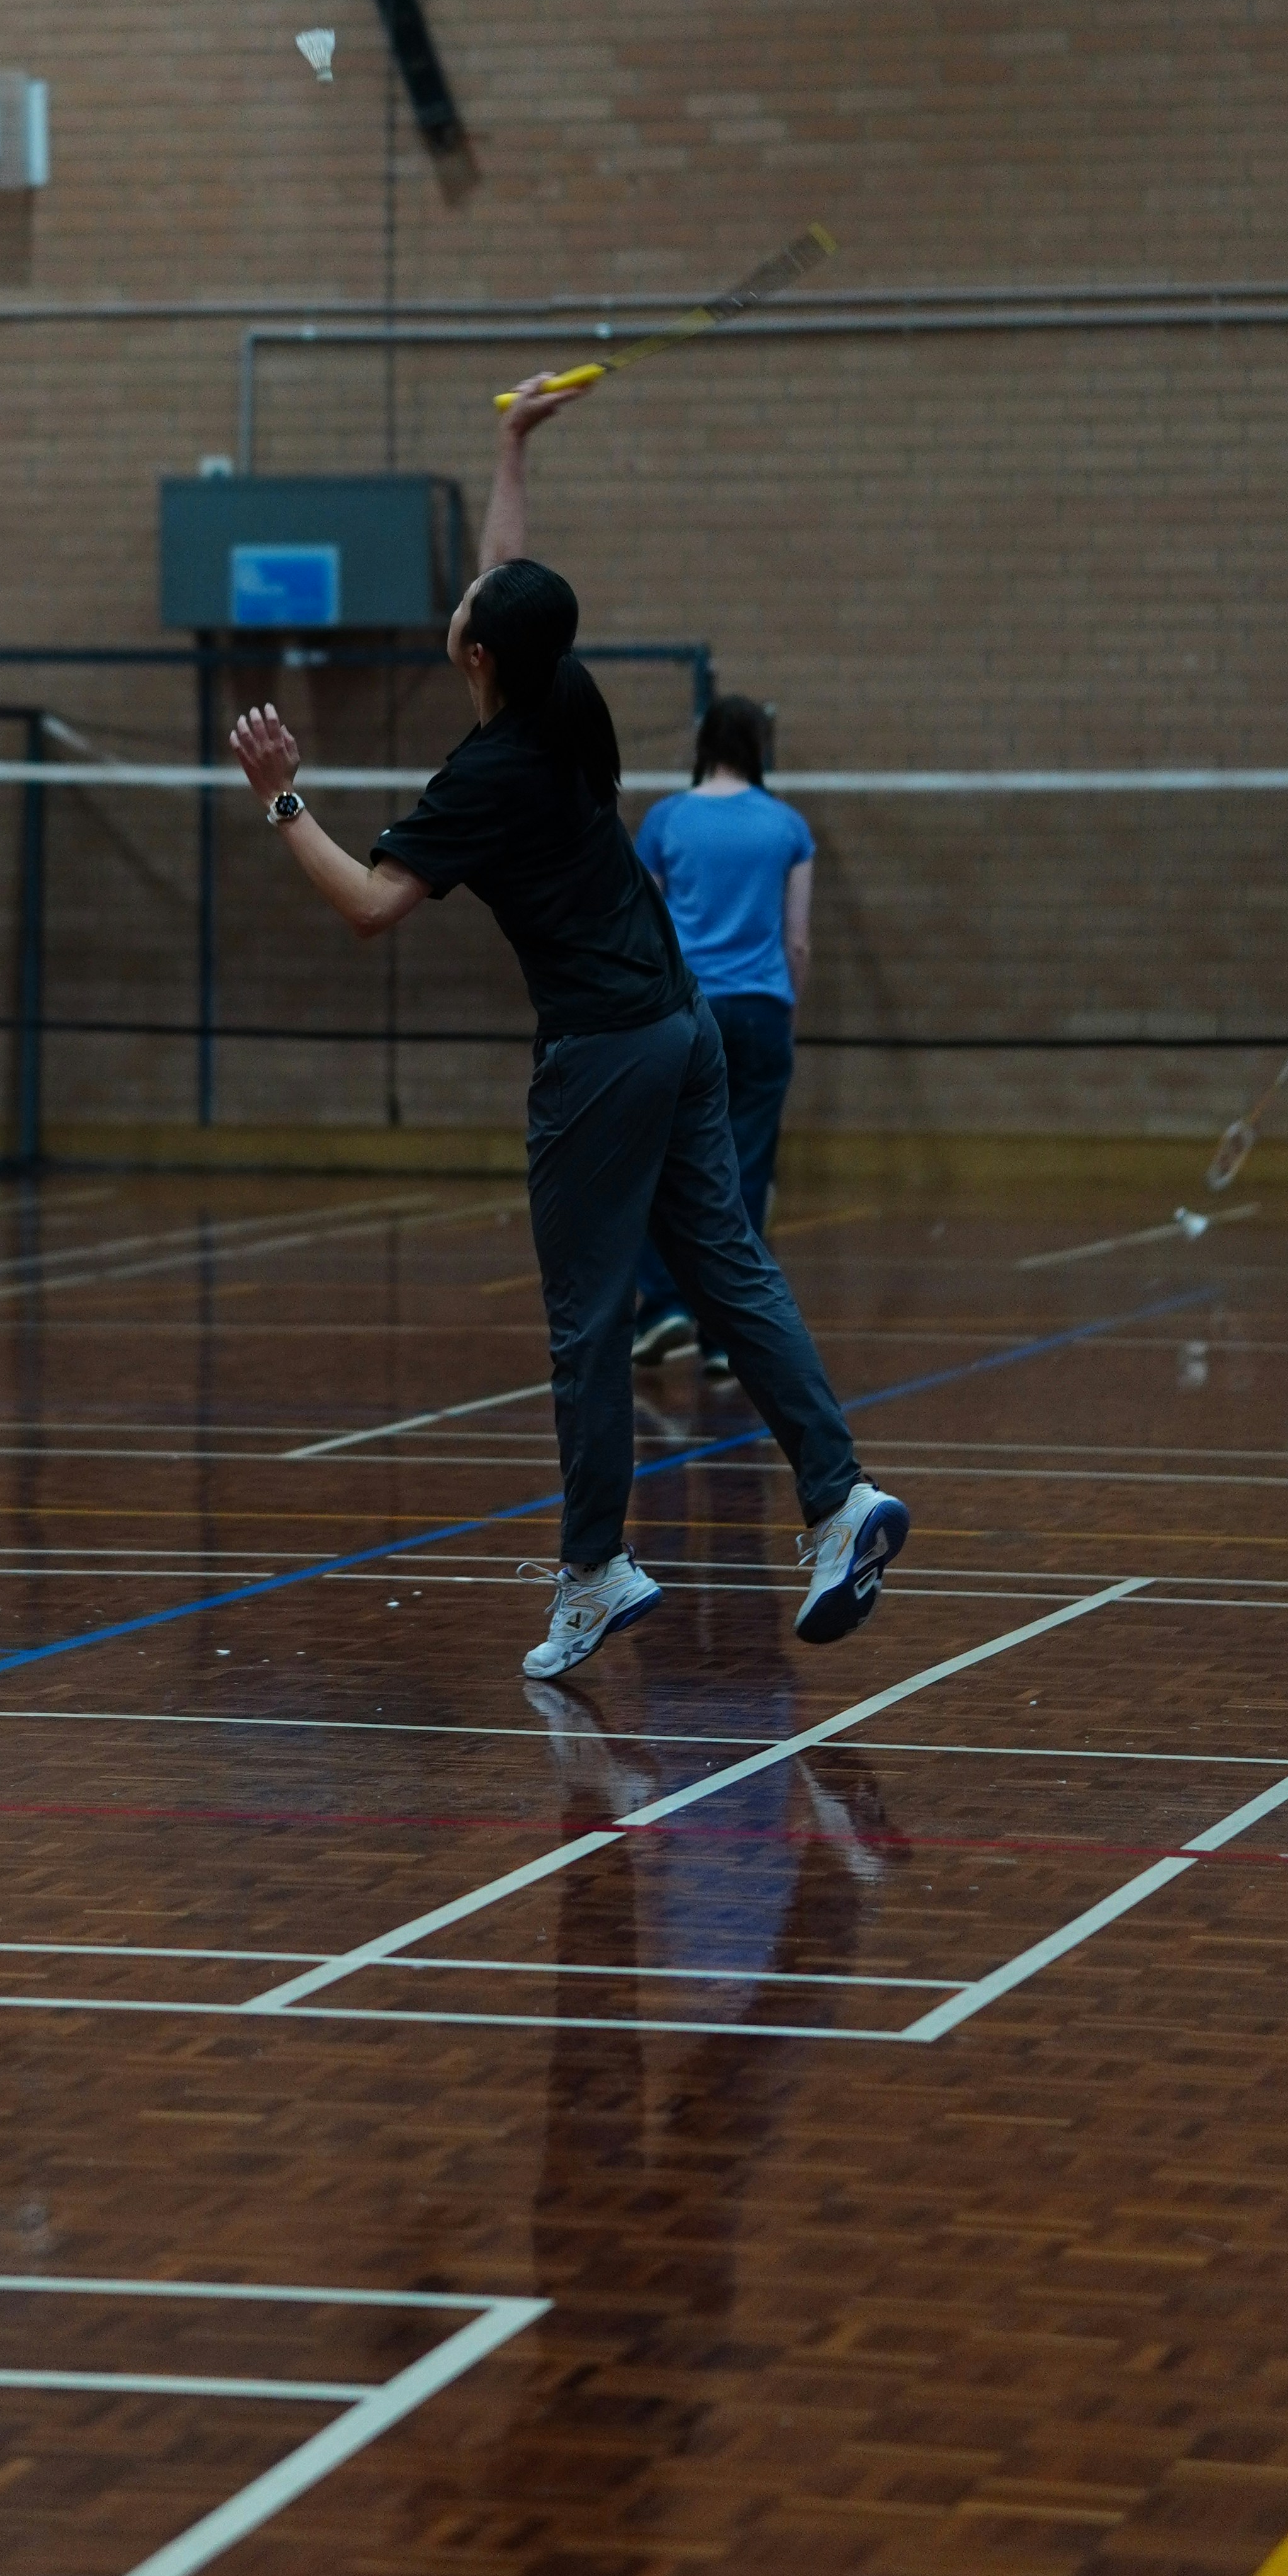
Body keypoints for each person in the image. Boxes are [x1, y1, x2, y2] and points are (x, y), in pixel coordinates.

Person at [228, 377, 908, 1683]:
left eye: (466, 617)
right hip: (681, 1023)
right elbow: (507, 575)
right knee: (730, 1273)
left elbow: (372, 907)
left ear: (476, 655)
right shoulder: (565, 695)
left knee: (587, 1321)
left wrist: (280, 802)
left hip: (598, 1055)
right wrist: (506, 443)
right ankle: (834, 1499)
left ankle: (595, 1569)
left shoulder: (482, 779)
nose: (463, 608)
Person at [625, 692, 812, 1373]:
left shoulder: (664, 821)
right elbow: (796, 941)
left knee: (659, 1161)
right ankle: (725, 1333)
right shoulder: (788, 827)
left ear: (703, 744)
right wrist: (787, 1014)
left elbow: (643, 934)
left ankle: (668, 1302)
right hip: (761, 1011)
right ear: (759, 747)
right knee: (744, 1170)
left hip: (681, 1012)